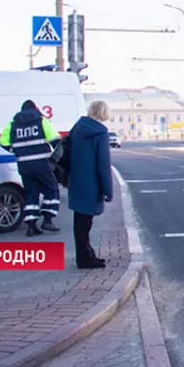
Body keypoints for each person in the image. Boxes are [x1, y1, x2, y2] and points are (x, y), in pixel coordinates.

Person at [0, 100, 62, 236]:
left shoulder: (12, 124)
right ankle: (48, 219)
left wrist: (17, 150)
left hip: (24, 166)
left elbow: (3, 144)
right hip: (42, 164)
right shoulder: (41, 121)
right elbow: (56, 141)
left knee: (31, 194)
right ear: (35, 109)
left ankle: (31, 226)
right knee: (52, 190)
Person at [67, 100, 113, 269]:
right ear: (103, 113)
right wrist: (108, 190)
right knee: (86, 223)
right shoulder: (100, 133)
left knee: (79, 222)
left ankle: (85, 255)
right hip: (91, 183)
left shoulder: (78, 128)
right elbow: (103, 164)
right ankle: (85, 259)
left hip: (76, 179)